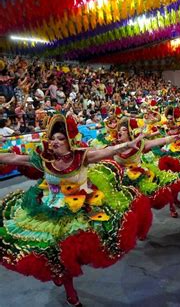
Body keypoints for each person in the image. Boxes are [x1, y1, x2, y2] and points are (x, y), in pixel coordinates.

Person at [0, 114, 152, 306]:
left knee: (78, 251)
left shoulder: (81, 156)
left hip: (81, 209)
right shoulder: (44, 159)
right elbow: (13, 157)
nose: (55, 142)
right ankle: (69, 289)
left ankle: (62, 274)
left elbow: (108, 152)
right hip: (48, 211)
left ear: (70, 140)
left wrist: (129, 144)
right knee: (53, 256)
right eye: (53, 138)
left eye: (60, 138)